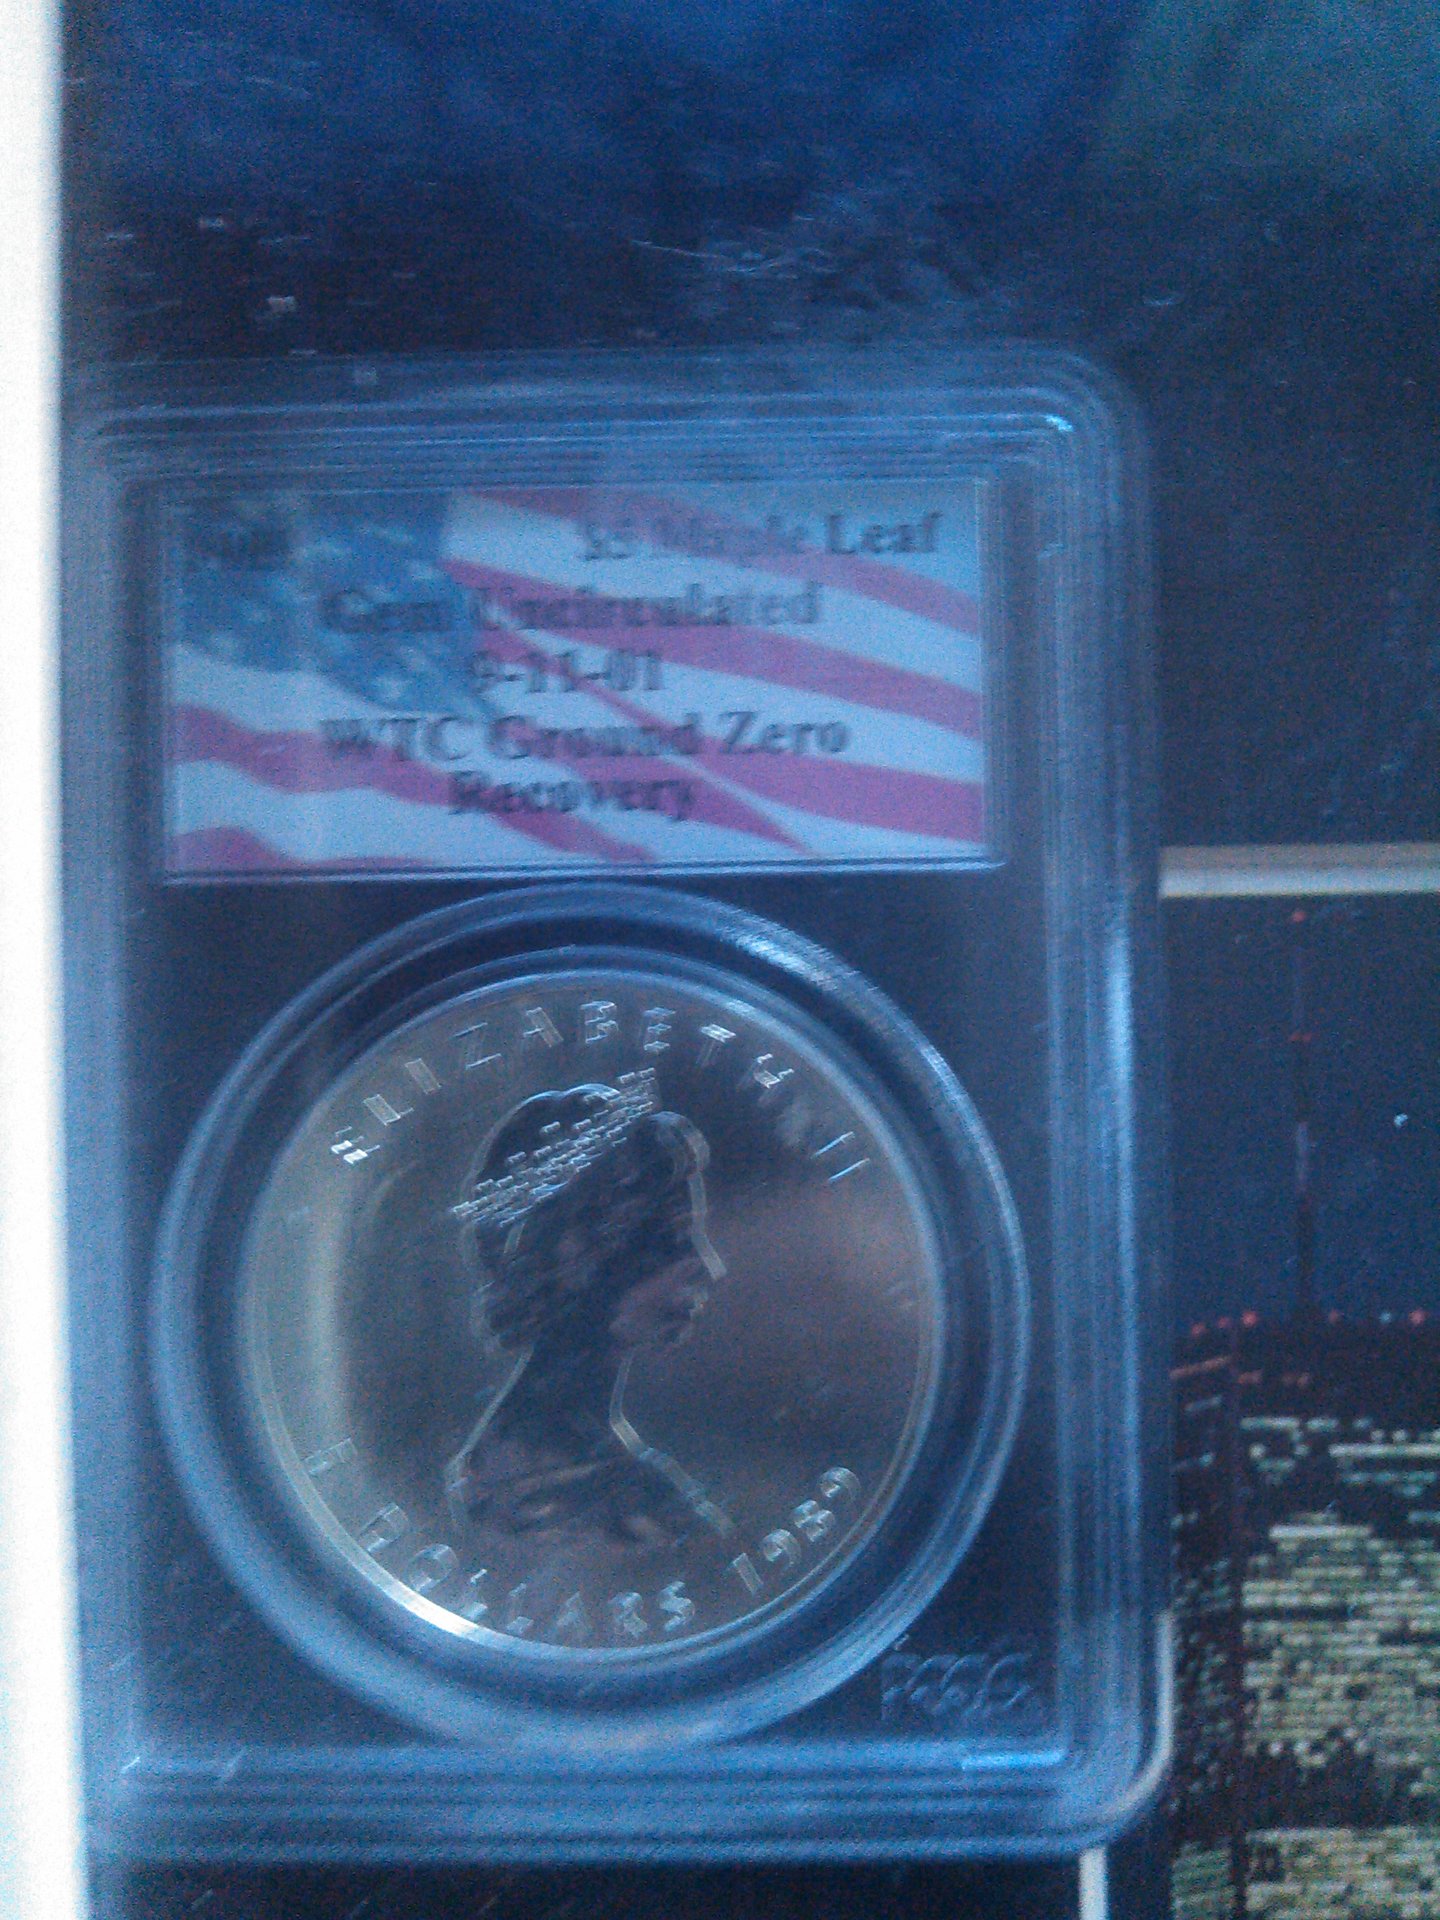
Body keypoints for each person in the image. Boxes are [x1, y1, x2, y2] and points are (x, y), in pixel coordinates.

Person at [445, 1070, 732, 1547]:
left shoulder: (612, 1471)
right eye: (672, 1241)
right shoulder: (534, 1490)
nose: (710, 1268)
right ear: (582, 1257)